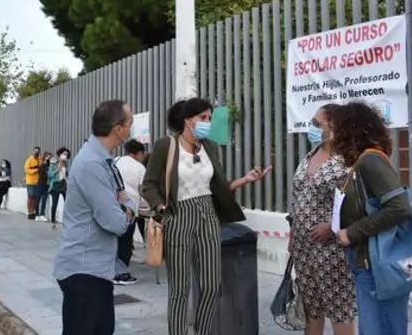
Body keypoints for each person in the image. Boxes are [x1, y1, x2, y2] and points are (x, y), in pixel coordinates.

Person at [142, 98, 271, 335]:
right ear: (187, 120)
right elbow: (148, 184)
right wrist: (160, 205)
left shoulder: (210, 147)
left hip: (208, 215)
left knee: (211, 285)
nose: (207, 123)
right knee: (179, 290)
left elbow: (218, 188)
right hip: (179, 215)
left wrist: (245, 179)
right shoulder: (167, 146)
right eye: (203, 118)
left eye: (210, 118)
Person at [53, 100, 135, 335]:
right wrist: (128, 210)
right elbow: (115, 221)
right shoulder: (92, 164)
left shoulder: (102, 160)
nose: (131, 128)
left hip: (97, 269)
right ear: (117, 129)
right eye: (130, 122)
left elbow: (121, 199)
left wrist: (123, 205)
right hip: (84, 272)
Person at [333, 102, 412, 335]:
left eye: (336, 128)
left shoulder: (370, 160)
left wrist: (351, 232)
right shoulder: (361, 162)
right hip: (368, 264)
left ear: (349, 130)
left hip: (377, 267)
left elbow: (399, 208)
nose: (333, 135)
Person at [288, 104, 356, 335]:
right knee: (311, 308)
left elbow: (355, 203)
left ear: (334, 127)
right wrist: (293, 236)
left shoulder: (346, 160)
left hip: (331, 249)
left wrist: (332, 226)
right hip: (303, 247)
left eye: (318, 124)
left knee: (340, 310)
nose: (313, 127)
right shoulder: (311, 155)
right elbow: (298, 197)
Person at [113, 139, 147, 285]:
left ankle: (110, 269)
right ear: (138, 153)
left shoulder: (116, 161)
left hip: (112, 205)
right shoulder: (139, 167)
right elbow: (143, 190)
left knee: (113, 240)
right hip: (129, 208)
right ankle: (120, 274)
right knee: (126, 241)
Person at [47, 148, 70, 229]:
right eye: (64, 154)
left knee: (68, 203)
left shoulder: (66, 164)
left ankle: (67, 221)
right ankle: (53, 222)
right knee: (55, 204)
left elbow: (66, 175)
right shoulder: (54, 163)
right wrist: (57, 170)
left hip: (63, 184)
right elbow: (50, 175)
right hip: (55, 185)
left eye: (66, 154)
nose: (65, 155)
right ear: (60, 154)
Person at [24, 147, 41, 220]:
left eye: (38, 151)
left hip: (37, 181)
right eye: (35, 151)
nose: (36, 153)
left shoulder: (39, 160)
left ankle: (33, 212)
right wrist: (35, 171)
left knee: (35, 197)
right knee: (30, 196)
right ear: (33, 151)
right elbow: (26, 169)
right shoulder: (29, 159)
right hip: (30, 181)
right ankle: (29, 212)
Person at [35, 151, 52, 221]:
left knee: (44, 199)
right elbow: (41, 176)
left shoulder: (50, 165)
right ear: (44, 157)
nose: (49, 158)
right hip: (41, 184)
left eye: (50, 157)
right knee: (38, 199)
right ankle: (36, 215)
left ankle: (42, 214)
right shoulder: (42, 165)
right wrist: (47, 174)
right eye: (48, 156)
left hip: (47, 185)